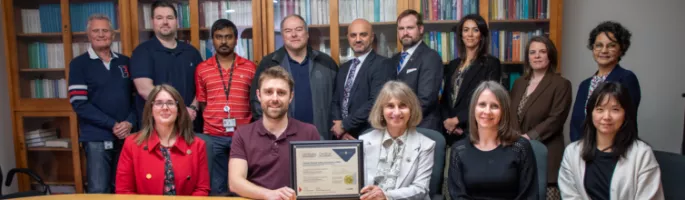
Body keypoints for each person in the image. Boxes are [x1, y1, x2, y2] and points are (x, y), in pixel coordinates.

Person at [558, 82, 663, 200]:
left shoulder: (642, 154)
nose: (606, 116)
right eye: (600, 109)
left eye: (615, 110)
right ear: (591, 113)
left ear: (625, 114)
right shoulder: (572, 152)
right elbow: (570, 196)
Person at [229, 67, 321, 199]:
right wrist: (270, 195)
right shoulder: (242, 134)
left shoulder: (309, 132)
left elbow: (319, 178)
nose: (275, 98)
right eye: (268, 92)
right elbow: (235, 182)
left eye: (281, 93)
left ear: (291, 97)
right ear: (259, 95)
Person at [68, 14, 135, 193]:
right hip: (96, 138)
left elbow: (136, 98)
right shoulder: (78, 64)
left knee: (123, 188)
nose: (100, 34)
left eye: (105, 30)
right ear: (88, 35)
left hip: (126, 137)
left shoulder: (125, 62)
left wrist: (129, 122)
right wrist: (112, 124)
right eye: (95, 31)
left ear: (112, 35)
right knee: (99, 190)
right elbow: (79, 103)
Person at [249, 14, 338, 139]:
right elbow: (256, 102)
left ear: (307, 34)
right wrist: (271, 131)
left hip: (321, 138)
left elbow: (339, 100)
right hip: (281, 139)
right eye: (288, 31)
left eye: (299, 29)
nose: (294, 34)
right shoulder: (269, 64)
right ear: (283, 36)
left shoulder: (326, 63)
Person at [194, 19, 257, 195]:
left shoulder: (250, 68)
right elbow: (203, 101)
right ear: (212, 40)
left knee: (243, 185)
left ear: (236, 40)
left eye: (228, 37)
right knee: (217, 186)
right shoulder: (202, 69)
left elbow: (253, 101)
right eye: (219, 37)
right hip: (213, 135)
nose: (223, 42)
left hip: (243, 134)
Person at [448, 81, 538, 199]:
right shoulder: (459, 150)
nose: (487, 111)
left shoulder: (521, 147)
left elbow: (529, 196)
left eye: (494, 106)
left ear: (504, 112)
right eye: (482, 104)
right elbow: (457, 196)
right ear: (473, 108)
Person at [116, 84, 210, 196]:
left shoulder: (197, 145)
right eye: (159, 103)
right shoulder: (132, 144)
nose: (165, 107)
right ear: (150, 110)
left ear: (179, 110)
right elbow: (124, 191)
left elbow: (202, 189)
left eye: (170, 103)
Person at [509, 36, 571, 194]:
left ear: (550, 55)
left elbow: (556, 119)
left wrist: (528, 137)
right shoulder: (519, 83)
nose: (537, 56)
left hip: (548, 152)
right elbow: (510, 113)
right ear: (527, 57)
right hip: (519, 152)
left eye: (542, 52)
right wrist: (516, 138)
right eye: (532, 52)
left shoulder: (561, 84)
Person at [130, 0, 203, 133]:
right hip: (156, 127)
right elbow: (144, 89)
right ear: (153, 21)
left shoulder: (191, 52)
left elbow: (202, 86)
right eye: (159, 18)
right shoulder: (142, 52)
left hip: (190, 124)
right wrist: (180, 110)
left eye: (169, 18)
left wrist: (192, 109)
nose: (165, 22)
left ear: (176, 21)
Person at [360, 81, 435, 200]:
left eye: (402, 106)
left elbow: (421, 189)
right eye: (390, 106)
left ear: (411, 110)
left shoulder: (426, 145)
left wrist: (386, 196)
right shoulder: (363, 141)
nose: (396, 112)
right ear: (381, 110)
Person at [570, 21, 641, 142]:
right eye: (599, 45)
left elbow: (626, 121)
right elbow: (575, 123)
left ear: (621, 49)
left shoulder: (627, 78)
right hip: (583, 150)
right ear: (593, 48)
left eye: (611, 45)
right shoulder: (584, 85)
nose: (604, 50)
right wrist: (578, 149)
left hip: (616, 149)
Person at [441, 14, 502, 144]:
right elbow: (445, 98)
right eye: (466, 30)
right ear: (461, 35)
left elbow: (488, 100)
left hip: (474, 130)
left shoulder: (491, 64)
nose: (470, 34)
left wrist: (457, 120)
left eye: (475, 30)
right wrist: (448, 121)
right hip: (449, 131)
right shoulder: (453, 64)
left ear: (482, 35)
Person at [331, 18, 393, 140]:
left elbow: (375, 102)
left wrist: (344, 125)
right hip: (343, 137)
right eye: (353, 35)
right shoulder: (344, 68)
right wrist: (340, 130)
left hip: (369, 135)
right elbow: (336, 101)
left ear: (371, 37)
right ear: (348, 38)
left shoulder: (383, 65)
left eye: (363, 35)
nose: (358, 39)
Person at [392, 9, 443, 132]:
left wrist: (399, 118)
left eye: (410, 28)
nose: (405, 33)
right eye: (401, 28)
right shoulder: (394, 59)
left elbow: (426, 99)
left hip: (422, 128)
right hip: (397, 128)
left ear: (420, 29)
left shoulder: (431, 57)